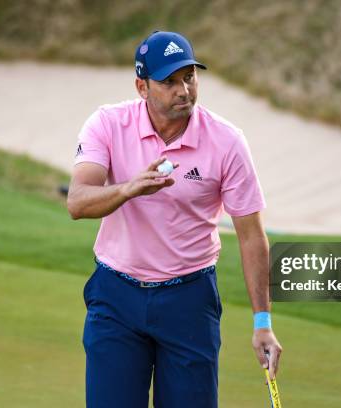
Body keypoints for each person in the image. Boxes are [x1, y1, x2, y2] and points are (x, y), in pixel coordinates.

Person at [67, 30, 282, 408]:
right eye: (169, 82)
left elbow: (251, 236)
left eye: (189, 77)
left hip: (189, 300)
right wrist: (128, 189)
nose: (183, 90)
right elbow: (78, 202)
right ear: (142, 86)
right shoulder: (107, 124)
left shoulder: (227, 141)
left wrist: (262, 323)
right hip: (116, 298)